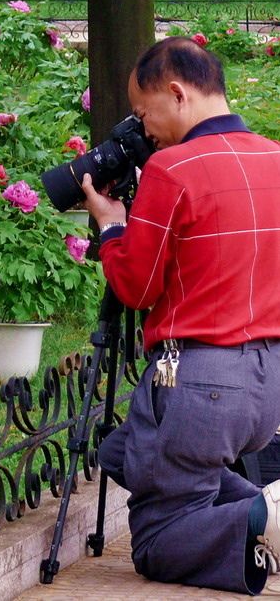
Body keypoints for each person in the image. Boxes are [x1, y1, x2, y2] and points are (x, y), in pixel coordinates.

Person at [81, 35, 280, 595]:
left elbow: (138, 287)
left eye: (144, 114)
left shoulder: (173, 169)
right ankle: (265, 510)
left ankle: (266, 521)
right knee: (126, 451)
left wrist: (111, 228)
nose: (142, 130)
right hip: (267, 386)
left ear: (176, 92)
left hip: (200, 385)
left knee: (156, 535)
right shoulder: (276, 157)